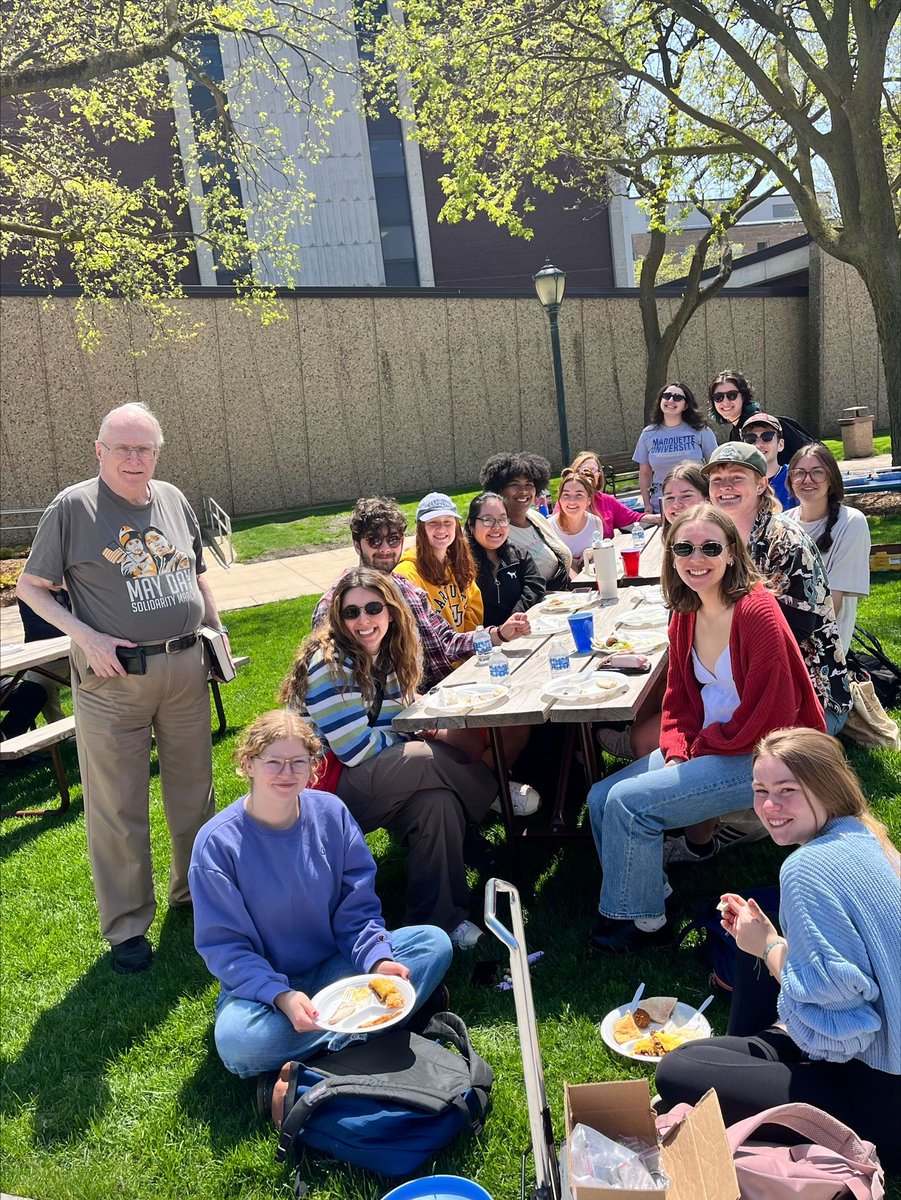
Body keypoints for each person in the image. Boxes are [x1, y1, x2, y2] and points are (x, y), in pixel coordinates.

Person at [16, 402, 227, 974]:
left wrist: (214, 629)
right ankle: (128, 925)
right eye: (123, 448)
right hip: (114, 677)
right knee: (117, 804)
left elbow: (196, 572)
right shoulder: (74, 508)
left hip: (184, 669)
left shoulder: (174, 498)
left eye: (146, 449)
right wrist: (86, 638)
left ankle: (194, 895)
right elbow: (31, 589)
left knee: (195, 793)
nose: (136, 459)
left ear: (158, 452)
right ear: (99, 450)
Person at [656, 728, 900, 1171]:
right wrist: (764, 944)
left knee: (675, 1073)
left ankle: (775, 1045)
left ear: (827, 787)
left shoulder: (806, 869)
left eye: (788, 791)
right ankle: (770, 1045)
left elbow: (844, 1029)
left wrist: (768, 948)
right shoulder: (867, 835)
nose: (770, 806)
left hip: (881, 1102)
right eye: (760, 790)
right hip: (883, 1065)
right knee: (698, 1053)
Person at [586, 505, 825, 954]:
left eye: (710, 547)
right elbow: (678, 697)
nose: (697, 558)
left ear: (732, 554)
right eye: (685, 548)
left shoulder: (757, 611)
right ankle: (652, 897)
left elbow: (772, 716)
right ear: (672, 556)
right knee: (600, 798)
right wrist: (677, 748)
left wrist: (701, 746)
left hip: (764, 757)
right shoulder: (686, 612)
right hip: (711, 745)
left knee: (629, 804)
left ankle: (644, 927)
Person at [189, 710, 453, 1080]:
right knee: (238, 1043)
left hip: (336, 970)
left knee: (433, 943)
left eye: (299, 762)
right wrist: (281, 996)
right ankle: (369, 1029)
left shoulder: (331, 813)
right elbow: (226, 948)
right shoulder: (217, 845)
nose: (287, 773)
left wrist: (377, 961)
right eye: (274, 762)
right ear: (248, 764)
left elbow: (357, 910)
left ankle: (324, 1050)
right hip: (263, 990)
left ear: (313, 765)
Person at [283, 568, 497, 950]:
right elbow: (356, 751)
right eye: (351, 613)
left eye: (372, 608)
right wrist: (404, 735)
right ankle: (493, 794)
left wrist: (404, 731)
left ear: (391, 611)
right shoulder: (328, 665)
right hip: (322, 794)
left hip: (371, 781)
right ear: (338, 618)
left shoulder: (391, 652)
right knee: (419, 756)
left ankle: (439, 921)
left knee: (439, 802)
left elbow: (402, 718)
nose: (363, 620)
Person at [703, 442, 851, 733]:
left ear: (761, 484)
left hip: (808, 698)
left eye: (736, 478)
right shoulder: (726, 539)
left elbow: (794, 631)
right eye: (717, 480)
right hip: (747, 682)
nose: (725, 487)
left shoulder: (783, 542)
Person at [313, 497, 529, 691]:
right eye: (374, 540)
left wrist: (499, 634)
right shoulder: (336, 600)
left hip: (425, 692)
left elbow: (445, 642)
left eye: (393, 539)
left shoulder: (405, 588)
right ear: (357, 545)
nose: (385, 548)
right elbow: (329, 670)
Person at [784, 443, 871, 656]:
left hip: (824, 648)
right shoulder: (782, 524)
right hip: (781, 641)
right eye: (799, 473)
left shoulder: (851, 522)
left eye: (817, 473)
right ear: (790, 479)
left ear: (831, 479)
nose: (807, 480)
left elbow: (833, 602)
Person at [479, 452, 572, 589]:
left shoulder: (536, 517)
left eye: (529, 484)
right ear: (499, 490)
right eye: (515, 485)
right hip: (532, 607)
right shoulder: (497, 532)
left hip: (564, 599)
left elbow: (562, 557)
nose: (523, 491)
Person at [394, 493, 482, 632]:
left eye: (448, 522)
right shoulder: (407, 573)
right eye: (432, 522)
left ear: (456, 526)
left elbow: (473, 606)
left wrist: (467, 643)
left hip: (465, 648)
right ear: (421, 528)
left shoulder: (458, 563)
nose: (441, 529)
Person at [633, 382, 718, 515]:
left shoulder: (701, 430)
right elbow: (644, 473)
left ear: (686, 405)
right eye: (666, 396)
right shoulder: (648, 434)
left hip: (695, 499)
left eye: (678, 397)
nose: (671, 400)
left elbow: (714, 467)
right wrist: (647, 504)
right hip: (663, 501)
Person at [466, 492, 545, 623]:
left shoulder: (519, 556)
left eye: (502, 519)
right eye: (488, 520)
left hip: (520, 630)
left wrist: (513, 619)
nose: (496, 527)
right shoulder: (461, 563)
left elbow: (535, 587)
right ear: (471, 525)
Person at [708, 370, 812, 465]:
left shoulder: (770, 424)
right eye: (718, 397)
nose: (725, 402)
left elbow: (814, 452)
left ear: (743, 396)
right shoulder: (734, 433)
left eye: (732, 395)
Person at [554, 450, 640, 538]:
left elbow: (634, 518)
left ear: (599, 474)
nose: (589, 473)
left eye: (593, 469)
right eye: (585, 469)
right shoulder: (565, 504)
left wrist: (654, 517)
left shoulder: (607, 502)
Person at [549, 469, 608, 575]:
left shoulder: (595, 523)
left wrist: (592, 553)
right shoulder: (549, 527)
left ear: (588, 500)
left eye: (579, 495)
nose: (572, 501)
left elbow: (598, 557)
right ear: (559, 499)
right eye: (566, 495)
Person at [739, 413, 797, 510]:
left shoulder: (795, 478)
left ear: (781, 444)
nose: (758, 445)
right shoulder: (736, 482)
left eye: (767, 437)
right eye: (750, 438)